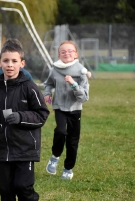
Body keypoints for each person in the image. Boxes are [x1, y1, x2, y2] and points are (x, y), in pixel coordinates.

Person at [0, 38, 50, 201]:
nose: (10, 65)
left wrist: (20, 117)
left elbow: (42, 114)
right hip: (2, 150)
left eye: (14, 61)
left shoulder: (29, 88)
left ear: (22, 63)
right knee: (6, 191)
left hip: (24, 149)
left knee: (23, 187)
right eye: (6, 61)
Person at [43, 40, 90, 180]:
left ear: (76, 54)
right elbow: (49, 83)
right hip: (59, 107)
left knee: (72, 140)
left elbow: (84, 97)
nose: (66, 53)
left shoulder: (81, 71)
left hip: (75, 110)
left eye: (70, 51)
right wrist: (47, 94)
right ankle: (55, 156)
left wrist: (74, 84)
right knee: (60, 131)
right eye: (63, 51)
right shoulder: (55, 69)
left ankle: (68, 168)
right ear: (59, 54)